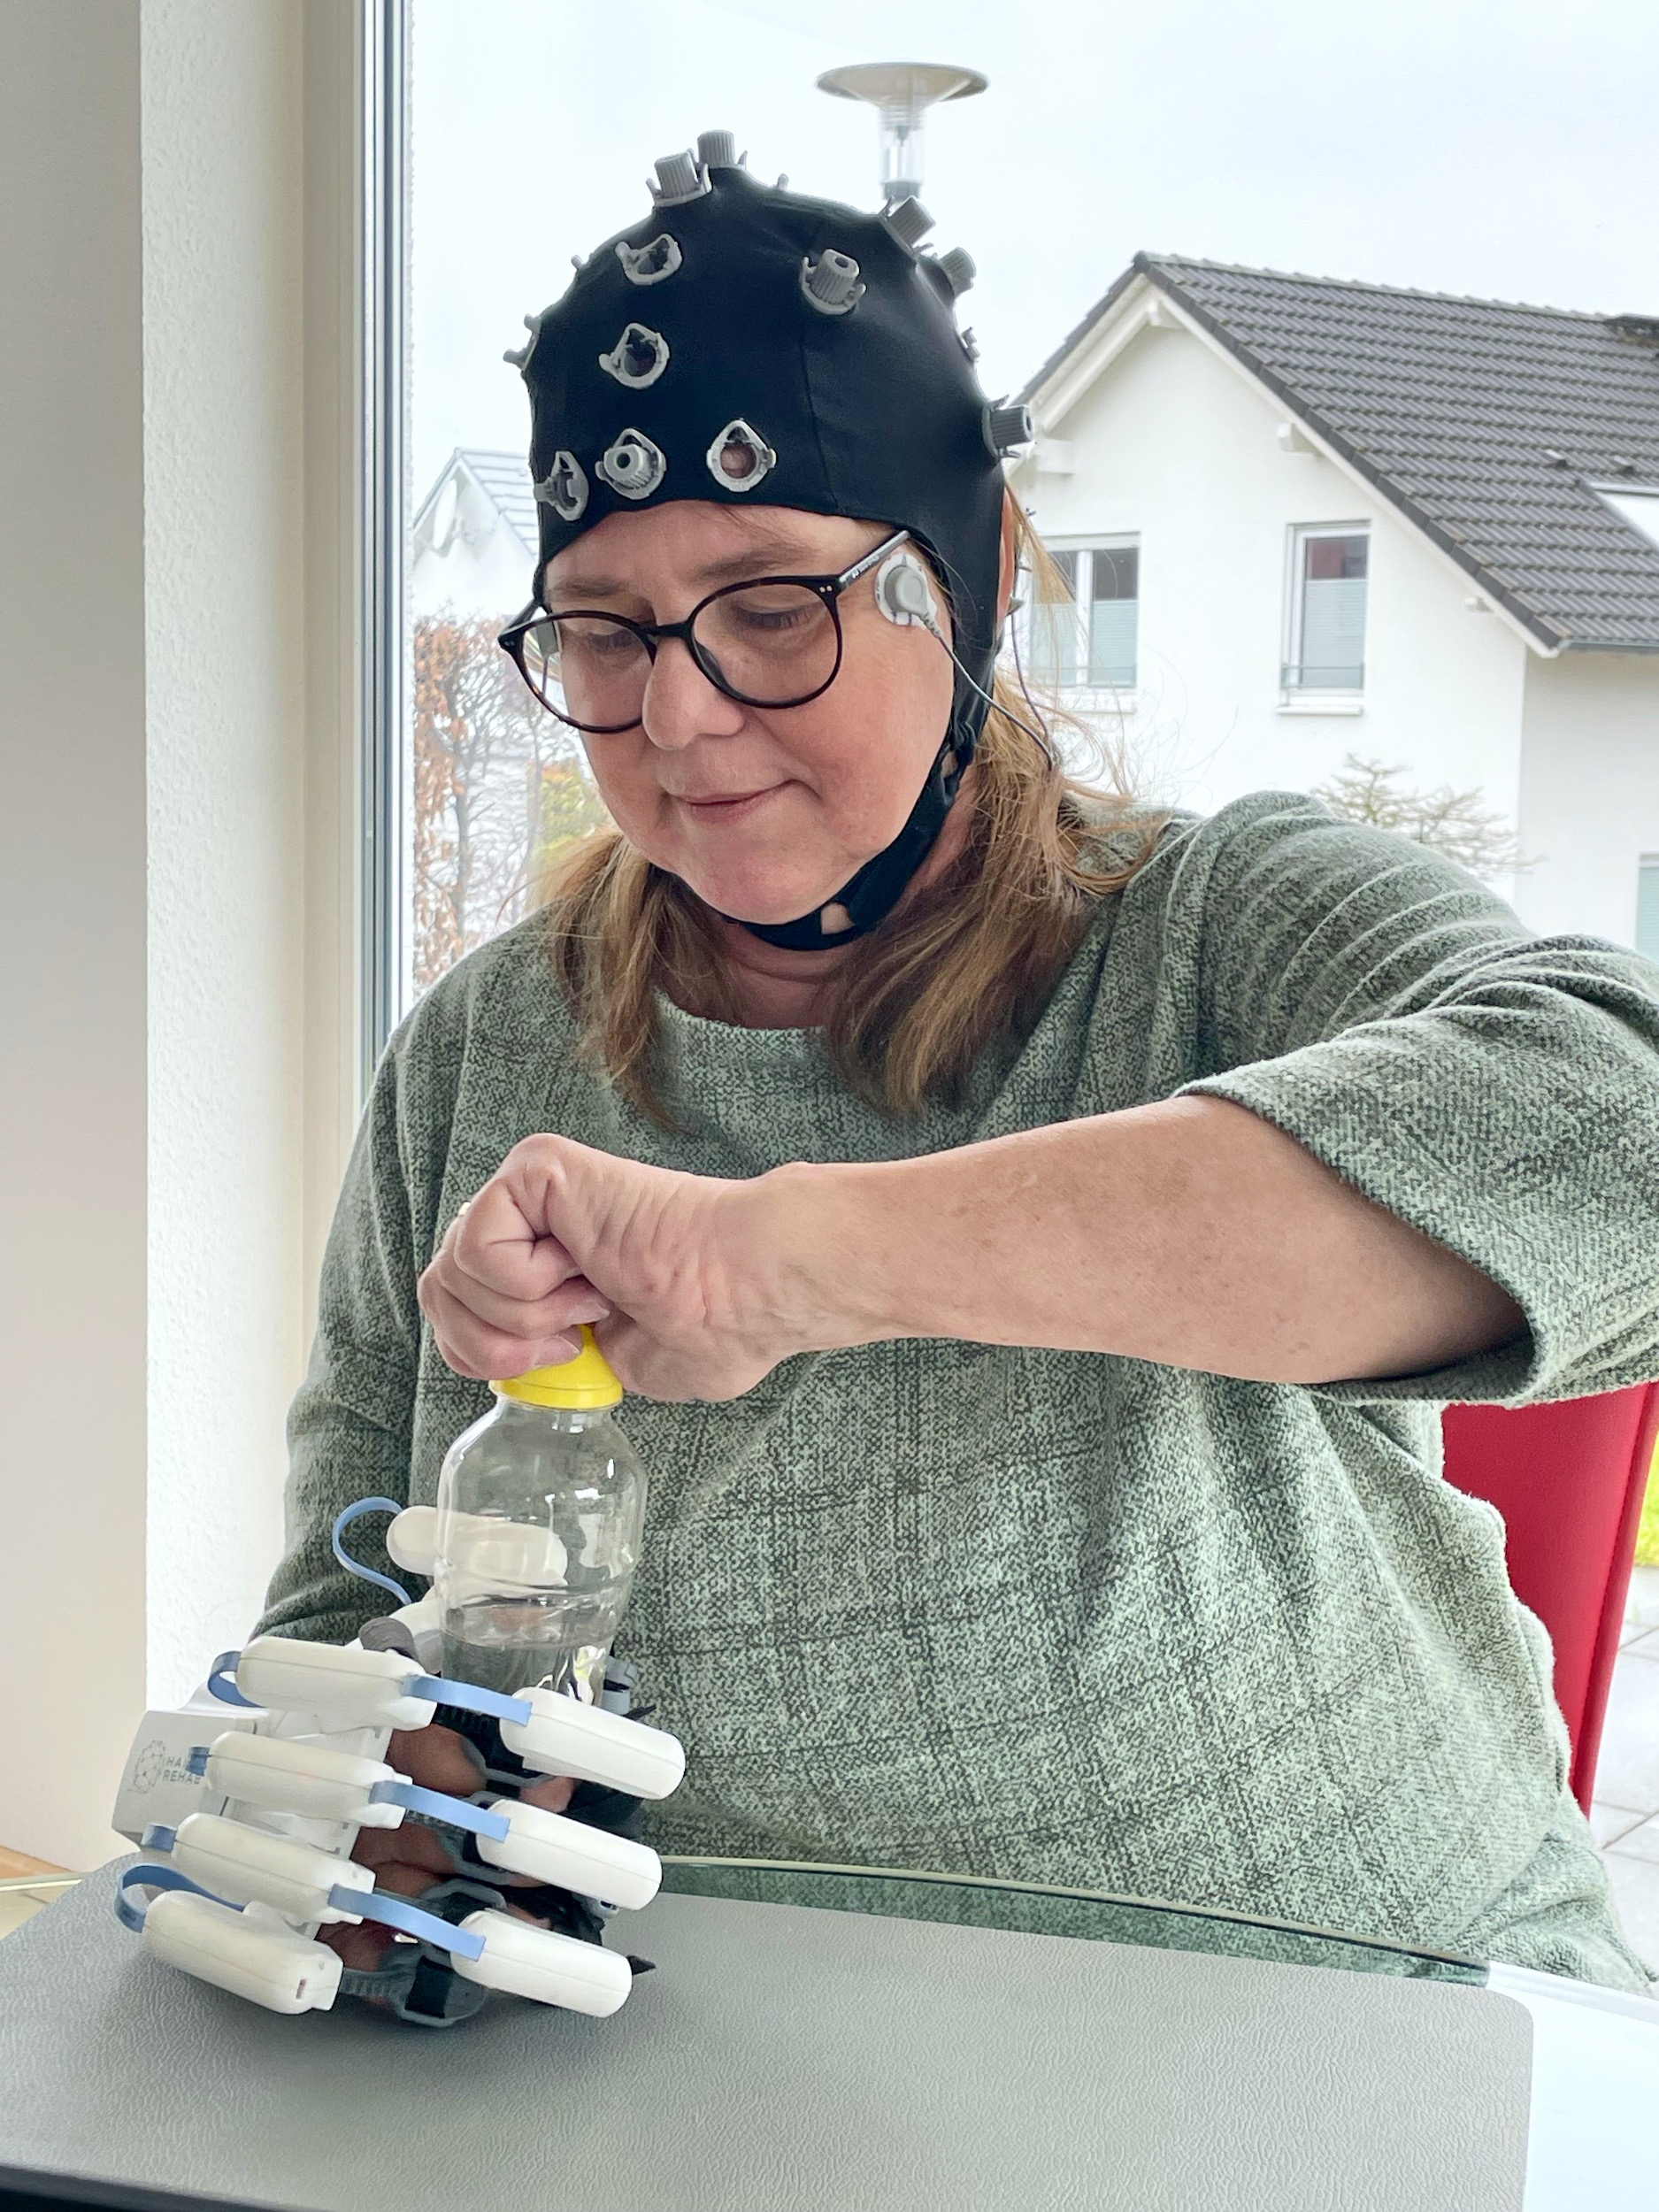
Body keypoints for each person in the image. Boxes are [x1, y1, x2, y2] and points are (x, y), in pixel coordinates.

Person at [259, 134, 1659, 1992]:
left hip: (1347, 1999)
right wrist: (377, 1788)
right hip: (695, 2068)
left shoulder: (1212, 926)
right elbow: (338, 1611)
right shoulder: (479, 1049)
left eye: (773, 607)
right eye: (602, 631)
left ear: (972, 579)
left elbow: (1618, 1125)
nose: (677, 716)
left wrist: (786, 1260)